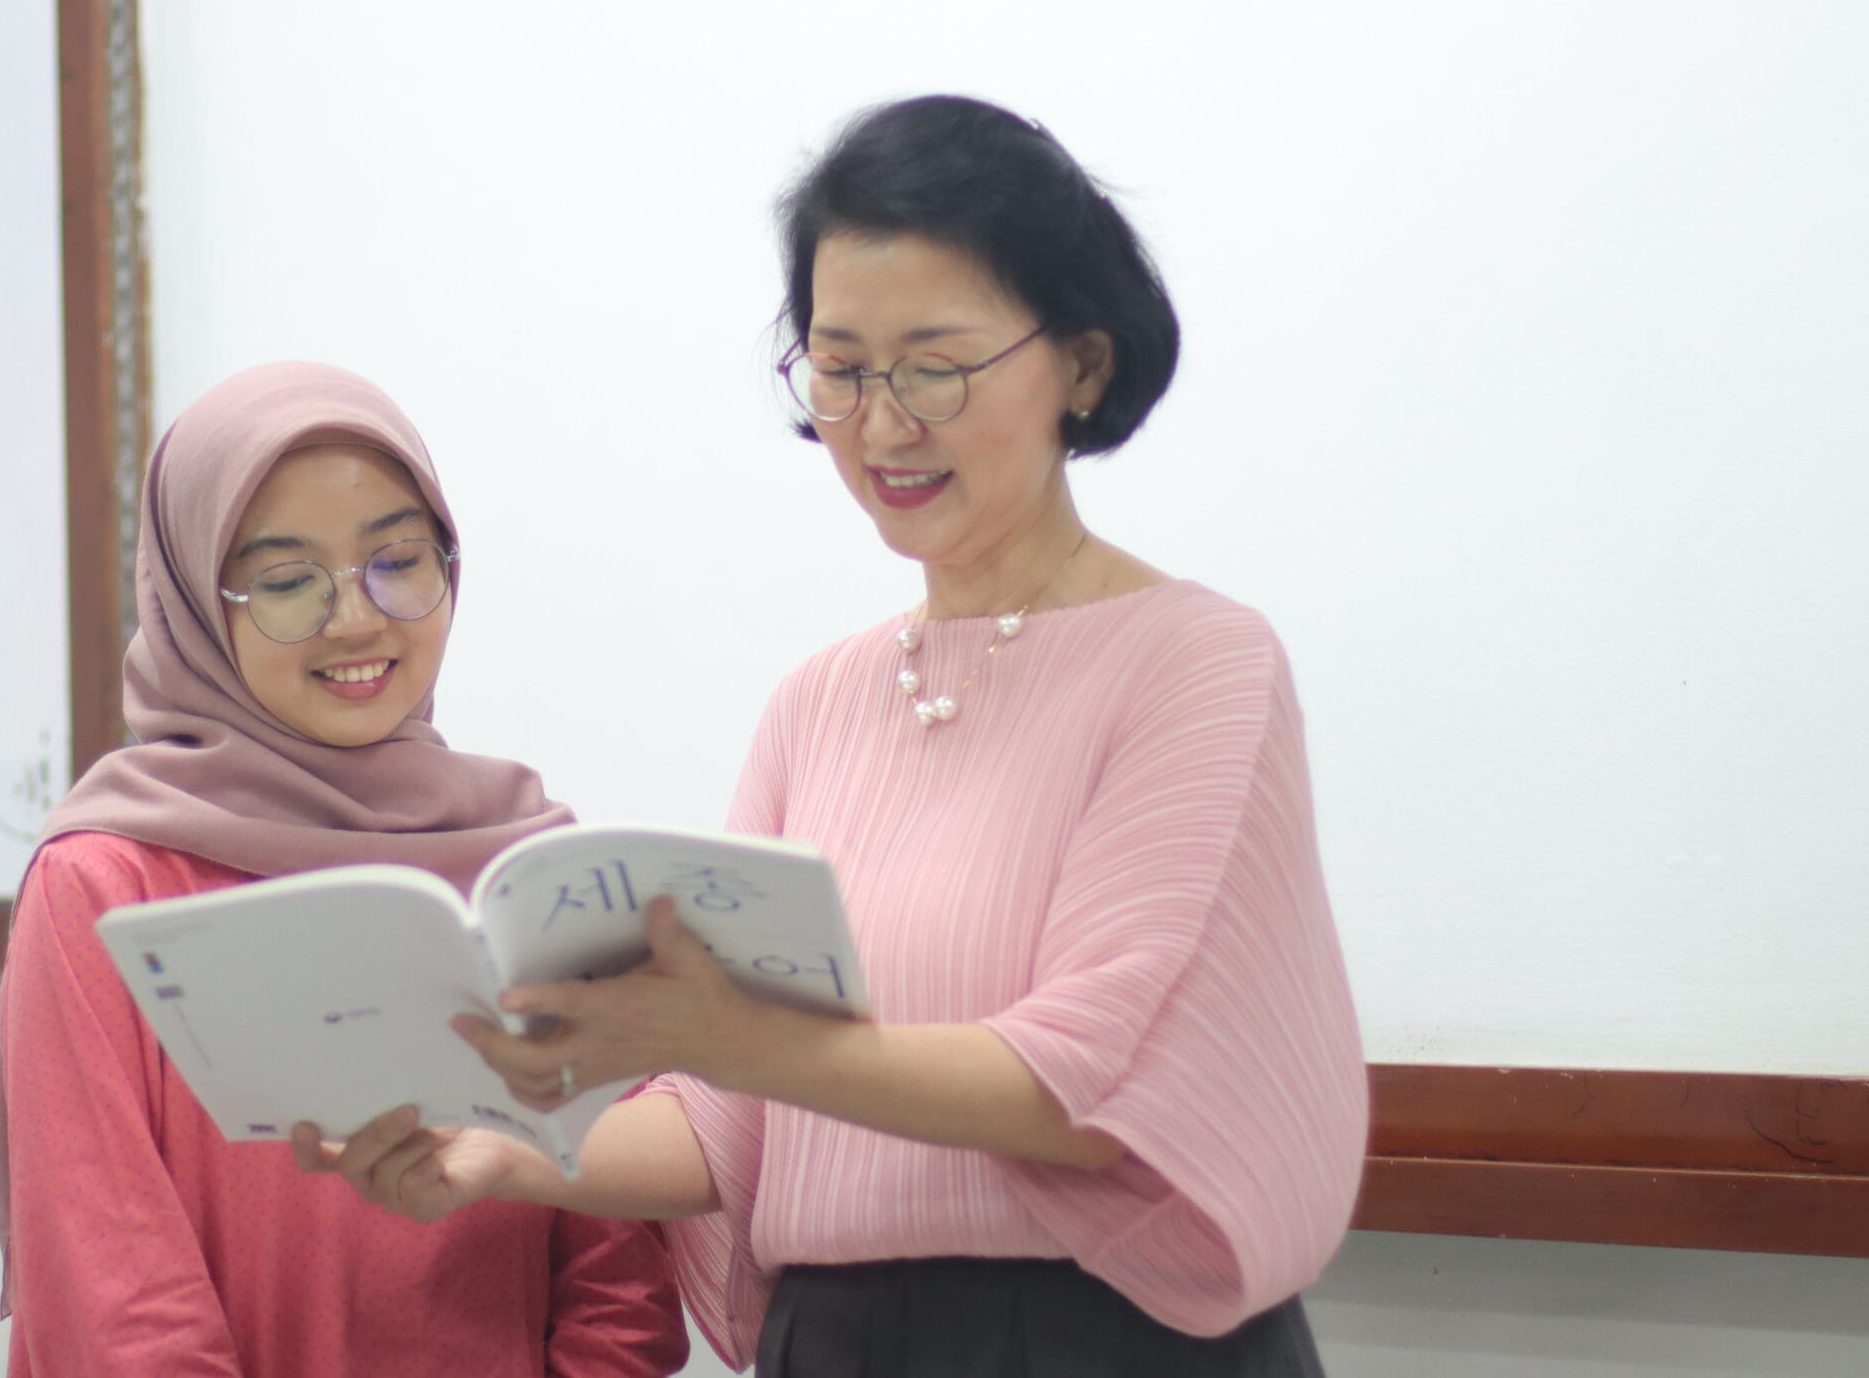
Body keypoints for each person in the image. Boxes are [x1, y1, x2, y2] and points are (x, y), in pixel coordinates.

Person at [301, 97, 1369, 1376]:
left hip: (1100, 1341)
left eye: (934, 367)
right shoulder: (817, 701)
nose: (882, 424)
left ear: (1082, 364)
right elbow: (728, 1121)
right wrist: (503, 1152)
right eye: (842, 367)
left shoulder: (1195, 661)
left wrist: (733, 1037)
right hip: (839, 1340)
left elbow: (1091, 1082)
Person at [0, 361, 688, 1376]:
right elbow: (113, 1302)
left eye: (398, 560)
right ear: (195, 606)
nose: (357, 618)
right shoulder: (102, 884)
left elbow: (621, 1288)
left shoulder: (534, 876)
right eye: (286, 582)